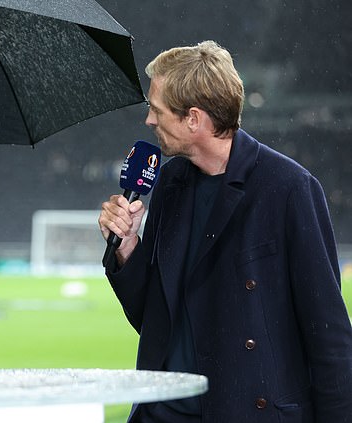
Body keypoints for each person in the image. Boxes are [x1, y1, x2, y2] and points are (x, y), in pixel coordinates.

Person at [98, 41, 352, 422]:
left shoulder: (288, 189)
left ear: (194, 119)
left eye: (156, 109)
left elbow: (328, 335)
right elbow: (155, 321)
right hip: (163, 414)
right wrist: (128, 248)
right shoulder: (170, 183)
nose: (149, 120)